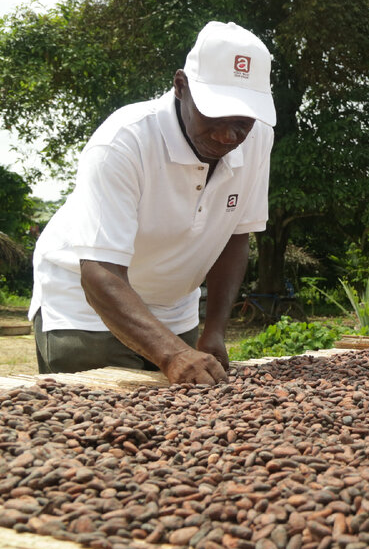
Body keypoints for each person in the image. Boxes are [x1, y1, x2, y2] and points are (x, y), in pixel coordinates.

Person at [29, 21, 275, 384]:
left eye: (241, 121)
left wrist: (215, 331)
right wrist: (173, 353)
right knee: (105, 431)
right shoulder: (123, 141)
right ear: (180, 87)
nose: (227, 135)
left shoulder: (256, 141)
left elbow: (235, 235)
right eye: (213, 114)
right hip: (86, 312)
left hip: (176, 313)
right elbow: (98, 271)